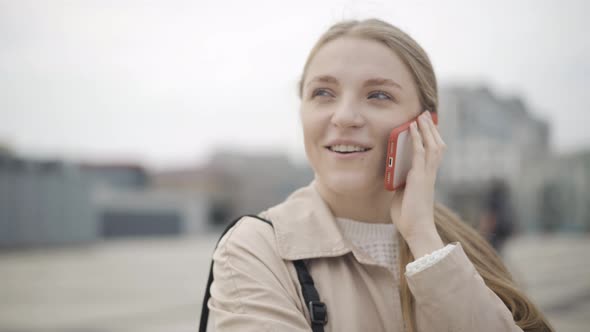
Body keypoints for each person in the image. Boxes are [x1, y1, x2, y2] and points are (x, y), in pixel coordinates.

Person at [205, 19, 553, 331]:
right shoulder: (255, 249)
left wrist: (422, 237)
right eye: (323, 93)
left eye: (378, 95)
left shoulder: (458, 248)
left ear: (425, 126)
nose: (344, 117)